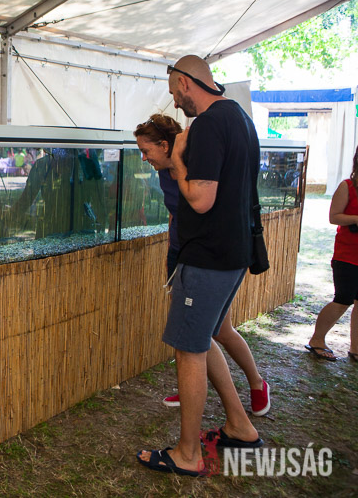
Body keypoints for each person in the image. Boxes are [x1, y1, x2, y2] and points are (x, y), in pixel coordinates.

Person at [137, 55, 263, 477]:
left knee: (189, 350)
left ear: (185, 82)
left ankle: (188, 454)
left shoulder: (207, 125)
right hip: (234, 253)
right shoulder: (240, 118)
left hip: (207, 256)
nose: (176, 103)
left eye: (175, 93)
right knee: (204, 339)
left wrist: (178, 159)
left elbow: (201, 199)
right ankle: (240, 425)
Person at [134, 114, 270, 415]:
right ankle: (191, 387)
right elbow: (175, 212)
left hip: (207, 259)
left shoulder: (196, 167)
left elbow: (205, 206)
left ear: (165, 145)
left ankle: (257, 383)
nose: (144, 158)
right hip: (181, 254)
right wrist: (173, 249)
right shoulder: (163, 172)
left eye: (146, 150)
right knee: (194, 331)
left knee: (216, 331)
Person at [305, 147, 358, 362]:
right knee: (343, 300)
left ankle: (355, 348)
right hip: (347, 256)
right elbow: (334, 217)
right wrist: (356, 219)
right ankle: (317, 339)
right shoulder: (347, 186)